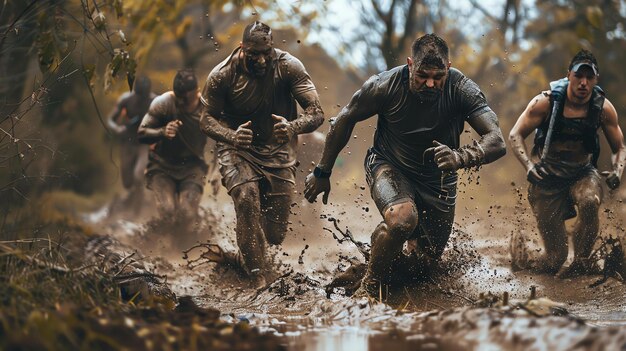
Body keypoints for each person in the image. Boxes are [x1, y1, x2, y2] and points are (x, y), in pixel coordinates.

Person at [304, 33, 506, 297]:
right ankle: (370, 286)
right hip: (390, 165)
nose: (431, 83)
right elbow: (345, 118)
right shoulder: (383, 85)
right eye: (422, 75)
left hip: (438, 180)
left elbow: (496, 140)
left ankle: (377, 254)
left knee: (423, 266)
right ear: (410, 64)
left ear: (448, 67)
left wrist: (460, 157)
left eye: (438, 77)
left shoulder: (462, 88)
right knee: (402, 221)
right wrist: (322, 171)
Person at [199, 21, 324, 286]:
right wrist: (231, 136)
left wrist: (293, 127)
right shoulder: (222, 74)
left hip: (279, 150)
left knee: (276, 234)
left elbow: (316, 112)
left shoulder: (289, 66)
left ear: (272, 47)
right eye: (254, 53)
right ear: (242, 48)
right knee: (247, 199)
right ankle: (257, 276)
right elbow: (206, 119)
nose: (262, 59)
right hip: (237, 148)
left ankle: (240, 258)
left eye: (266, 52)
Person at [509, 49, 625, 278]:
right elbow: (515, 135)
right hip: (546, 179)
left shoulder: (603, 108)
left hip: (581, 173)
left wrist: (618, 171)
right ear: (568, 75)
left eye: (589, 78)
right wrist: (528, 166)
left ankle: (582, 260)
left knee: (590, 200)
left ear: (595, 80)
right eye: (578, 76)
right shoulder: (545, 102)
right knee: (554, 259)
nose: (583, 83)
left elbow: (620, 147)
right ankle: (523, 261)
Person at [137, 69, 210, 238]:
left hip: (192, 167)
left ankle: (184, 247)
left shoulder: (207, 108)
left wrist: (217, 171)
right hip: (162, 166)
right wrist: (162, 131)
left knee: (186, 213)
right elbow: (142, 132)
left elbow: (221, 139)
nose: (180, 101)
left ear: (196, 92)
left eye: (184, 97)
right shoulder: (163, 103)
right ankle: (164, 247)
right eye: (177, 96)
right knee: (167, 211)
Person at [106, 76, 156, 216]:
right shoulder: (126, 100)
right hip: (127, 143)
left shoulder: (155, 101)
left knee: (139, 176)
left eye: (144, 96)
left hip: (144, 144)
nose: (142, 99)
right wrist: (117, 129)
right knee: (128, 182)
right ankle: (131, 198)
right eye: (140, 95)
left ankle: (137, 210)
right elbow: (110, 119)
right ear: (135, 92)